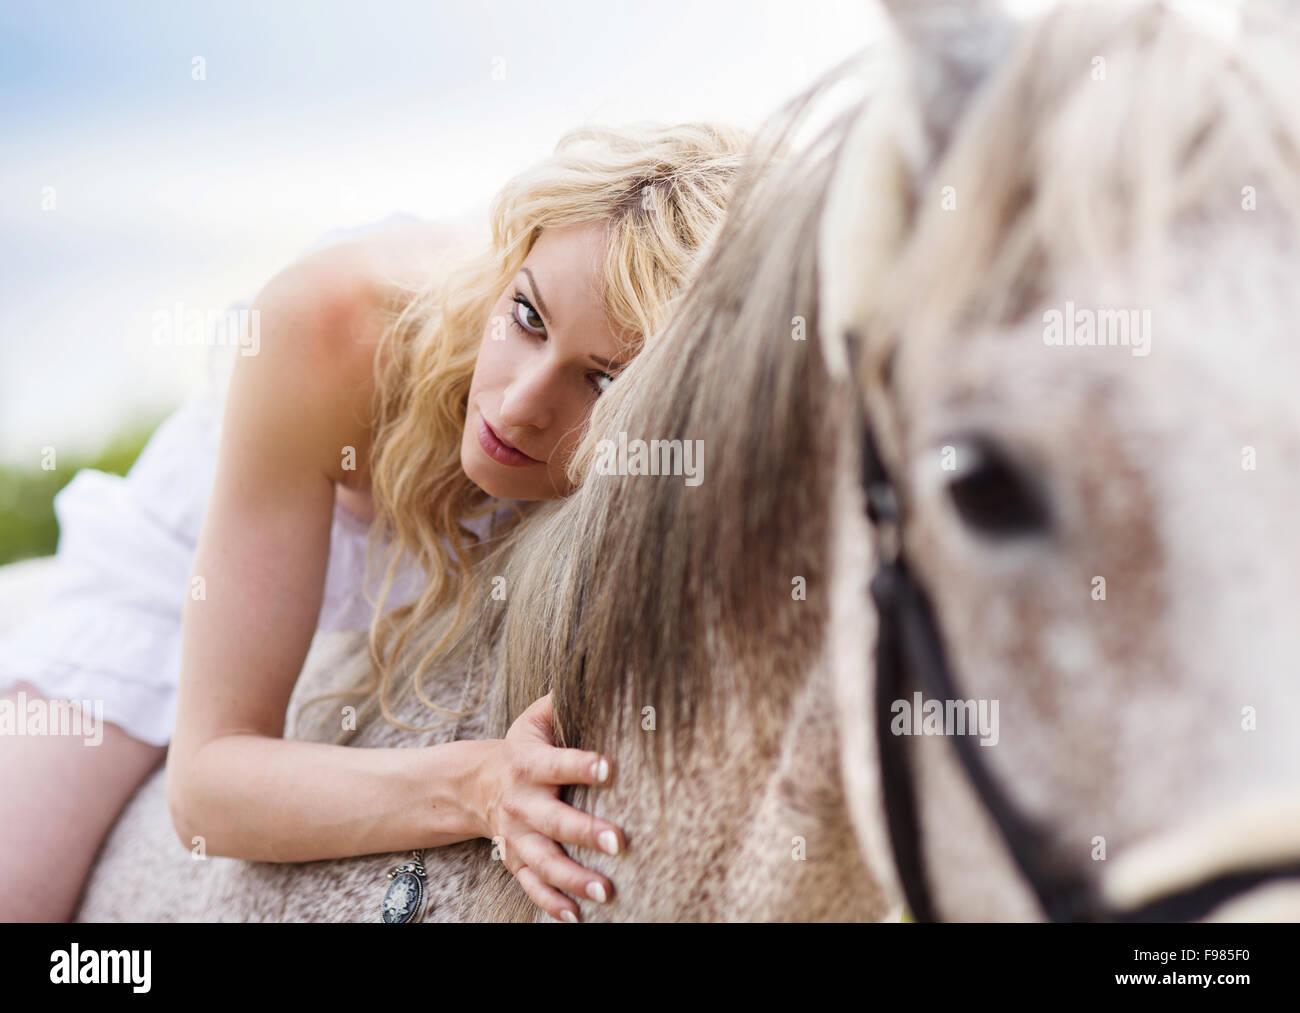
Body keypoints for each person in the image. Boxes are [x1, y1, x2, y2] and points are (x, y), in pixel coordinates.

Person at [0, 122, 753, 922]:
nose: (519, 405)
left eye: (602, 383)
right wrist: (478, 783)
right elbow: (208, 788)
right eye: (528, 316)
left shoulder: (685, 449)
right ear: (511, 258)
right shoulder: (333, 324)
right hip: (184, 570)